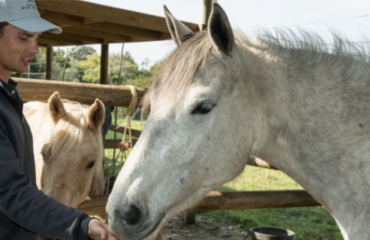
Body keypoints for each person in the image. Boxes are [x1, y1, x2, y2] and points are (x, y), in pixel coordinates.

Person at [0, 0, 118, 239]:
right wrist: (80, 225)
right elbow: (8, 190)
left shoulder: (10, 99)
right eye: (24, 38)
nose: (35, 48)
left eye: (35, 38)